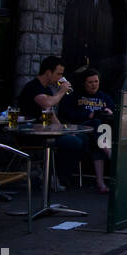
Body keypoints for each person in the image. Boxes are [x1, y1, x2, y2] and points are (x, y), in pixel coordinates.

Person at [16, 55, 82, 192]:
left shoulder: (46, 89)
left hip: (45, 132)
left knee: (78, 139)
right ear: (48, 72)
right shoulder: (34, 87)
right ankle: (53, 177)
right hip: (31, 133)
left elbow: (50, 113)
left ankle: (57, 177)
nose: (60, 77)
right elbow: (46, 102)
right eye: (58, 74)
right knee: (72, 143)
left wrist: (64, 130)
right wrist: (62, 92)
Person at [60, 68, 115, 194]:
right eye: (90, 82)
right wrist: (89, 114)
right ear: (84, 83)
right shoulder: (75, 96)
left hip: (100, 132)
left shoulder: (104, 97)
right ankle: (109, 153)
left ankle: (100, 183)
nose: (94, 84)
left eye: (96, 81)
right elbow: (67, 113)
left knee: (98, 139)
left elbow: (115, 111)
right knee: (96, 124)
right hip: (81, 129)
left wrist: (109, 112)